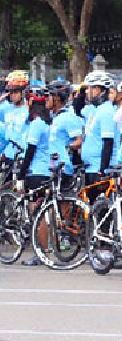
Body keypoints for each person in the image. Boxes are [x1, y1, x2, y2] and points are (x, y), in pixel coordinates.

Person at [17, 87, 51, 266]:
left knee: (37, 214)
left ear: (31, 103)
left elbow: (30, 151)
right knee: (40, 214)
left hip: (35, 172)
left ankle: (42, 252)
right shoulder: (45, 122)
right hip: (43, 171)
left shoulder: (37, 124)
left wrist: (21, 175)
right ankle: (43, 250)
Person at [81, 71, 118, 186]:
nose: (88, 91)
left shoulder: (106, 111)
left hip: (98, 169)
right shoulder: (94, 109)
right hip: (89, 168)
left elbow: (108, 143)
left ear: (102, 91)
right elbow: (77, 108)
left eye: (92, 88)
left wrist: (103, 171)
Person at [47, 79, 83, 181]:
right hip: (51, 167)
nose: (46, 99)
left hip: (63, 168)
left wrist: (65, 148)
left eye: (48, 96)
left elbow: (79, 141)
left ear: (57, 98)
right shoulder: (55, 117)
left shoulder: (68, 116)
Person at [2, 70, 30, 161]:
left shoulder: (29, 110)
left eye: (15, 91)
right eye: (10, 91)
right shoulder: (5, 108)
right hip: (7, 156)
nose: (12, 95)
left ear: (24, 91)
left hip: (23, 156)